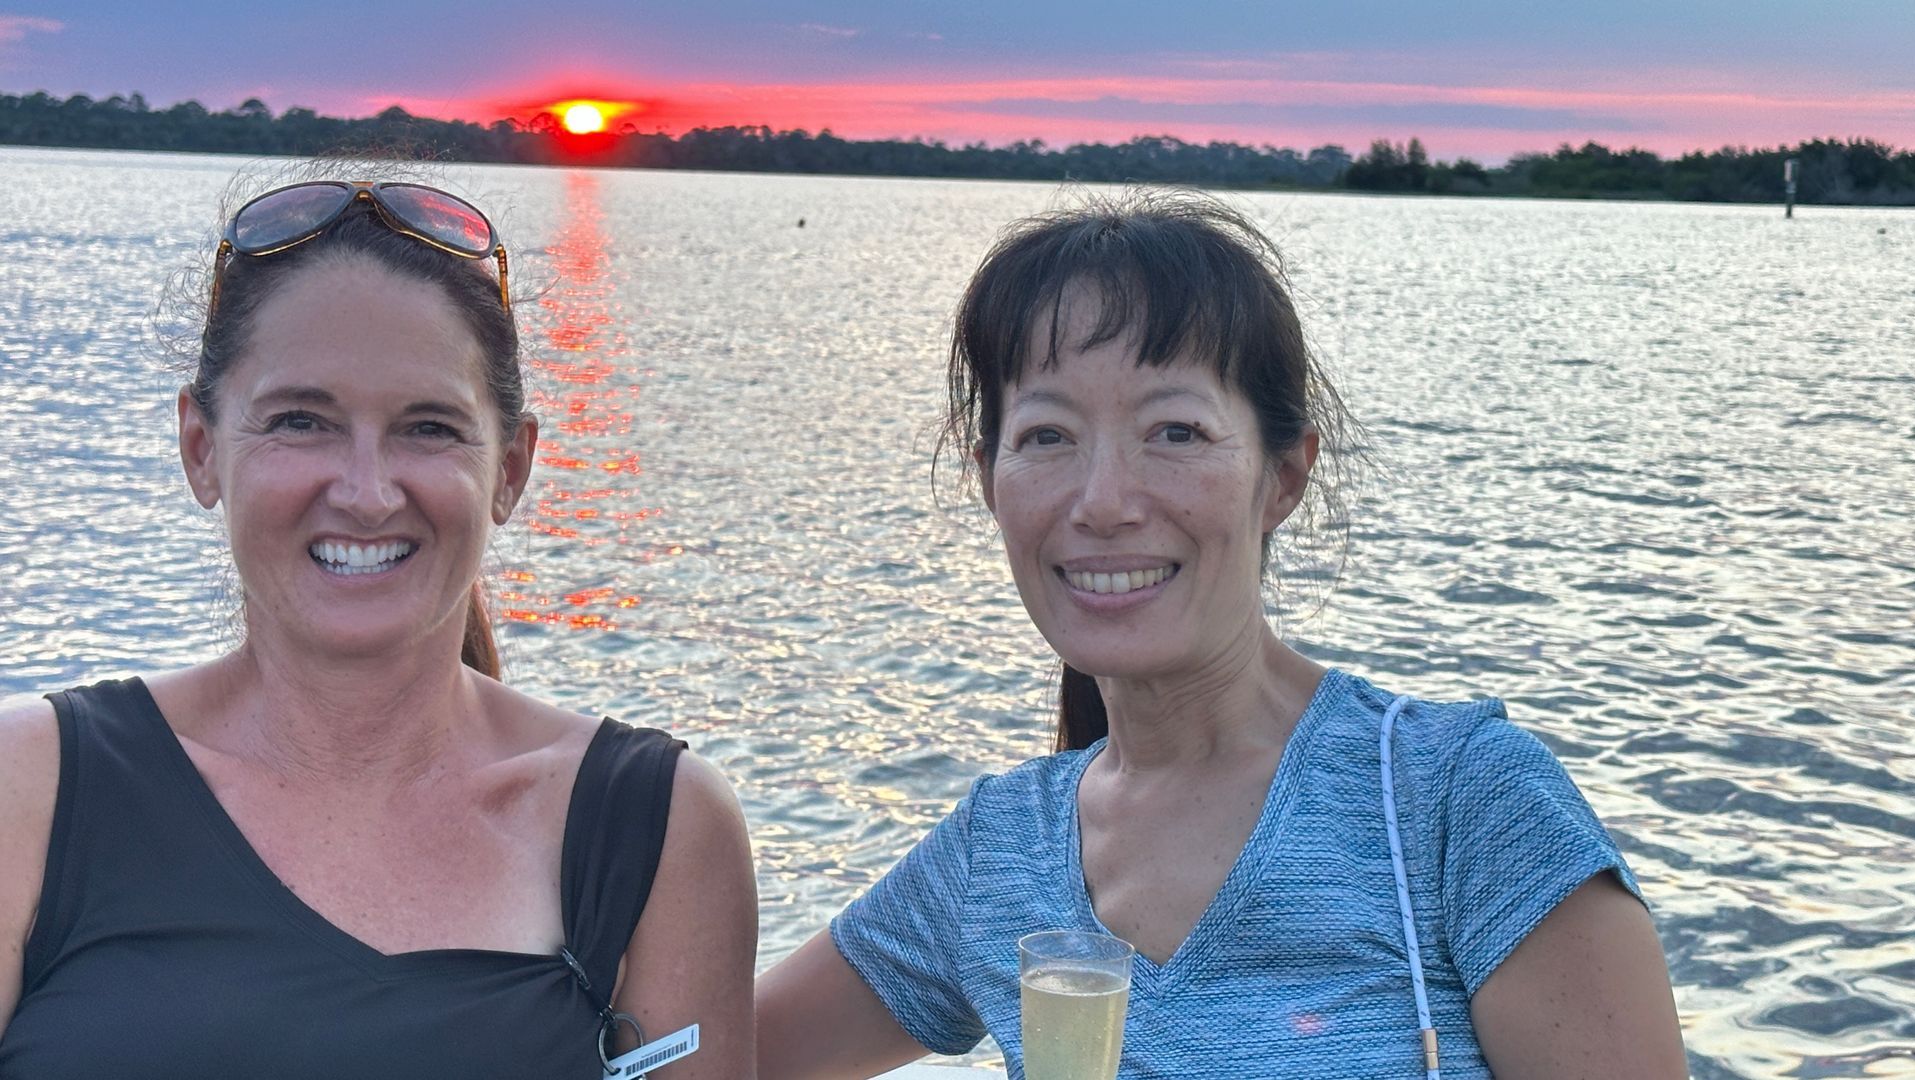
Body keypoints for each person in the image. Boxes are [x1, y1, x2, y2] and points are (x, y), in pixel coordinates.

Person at [756, 191, 1687, 1078]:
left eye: (1175, 431)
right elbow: (705, 1057)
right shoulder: (1000, 852)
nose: (1105, 502)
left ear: (1282, 476)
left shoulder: (1459, 804)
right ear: (988, 476)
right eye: (1046, 437)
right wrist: (650, 811)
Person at [0, 177, 756, 1077]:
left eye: (428, 428)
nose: (365, 492)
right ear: (201, 449)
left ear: (511, 468)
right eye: (300, 421)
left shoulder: (654, 828)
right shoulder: (32, 792)